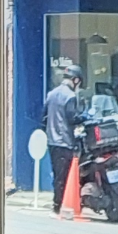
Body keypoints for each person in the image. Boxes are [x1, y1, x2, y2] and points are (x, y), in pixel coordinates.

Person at [41, 59, 84, 215]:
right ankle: (58, 205)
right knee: (64, 175)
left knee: (57, 173)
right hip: (64, 141)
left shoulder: (51, 94)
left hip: (52, 141)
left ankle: (57, 203)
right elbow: (72, 118)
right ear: (76, 80)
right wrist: (84, 117)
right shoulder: (70, 96)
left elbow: (43, 118)